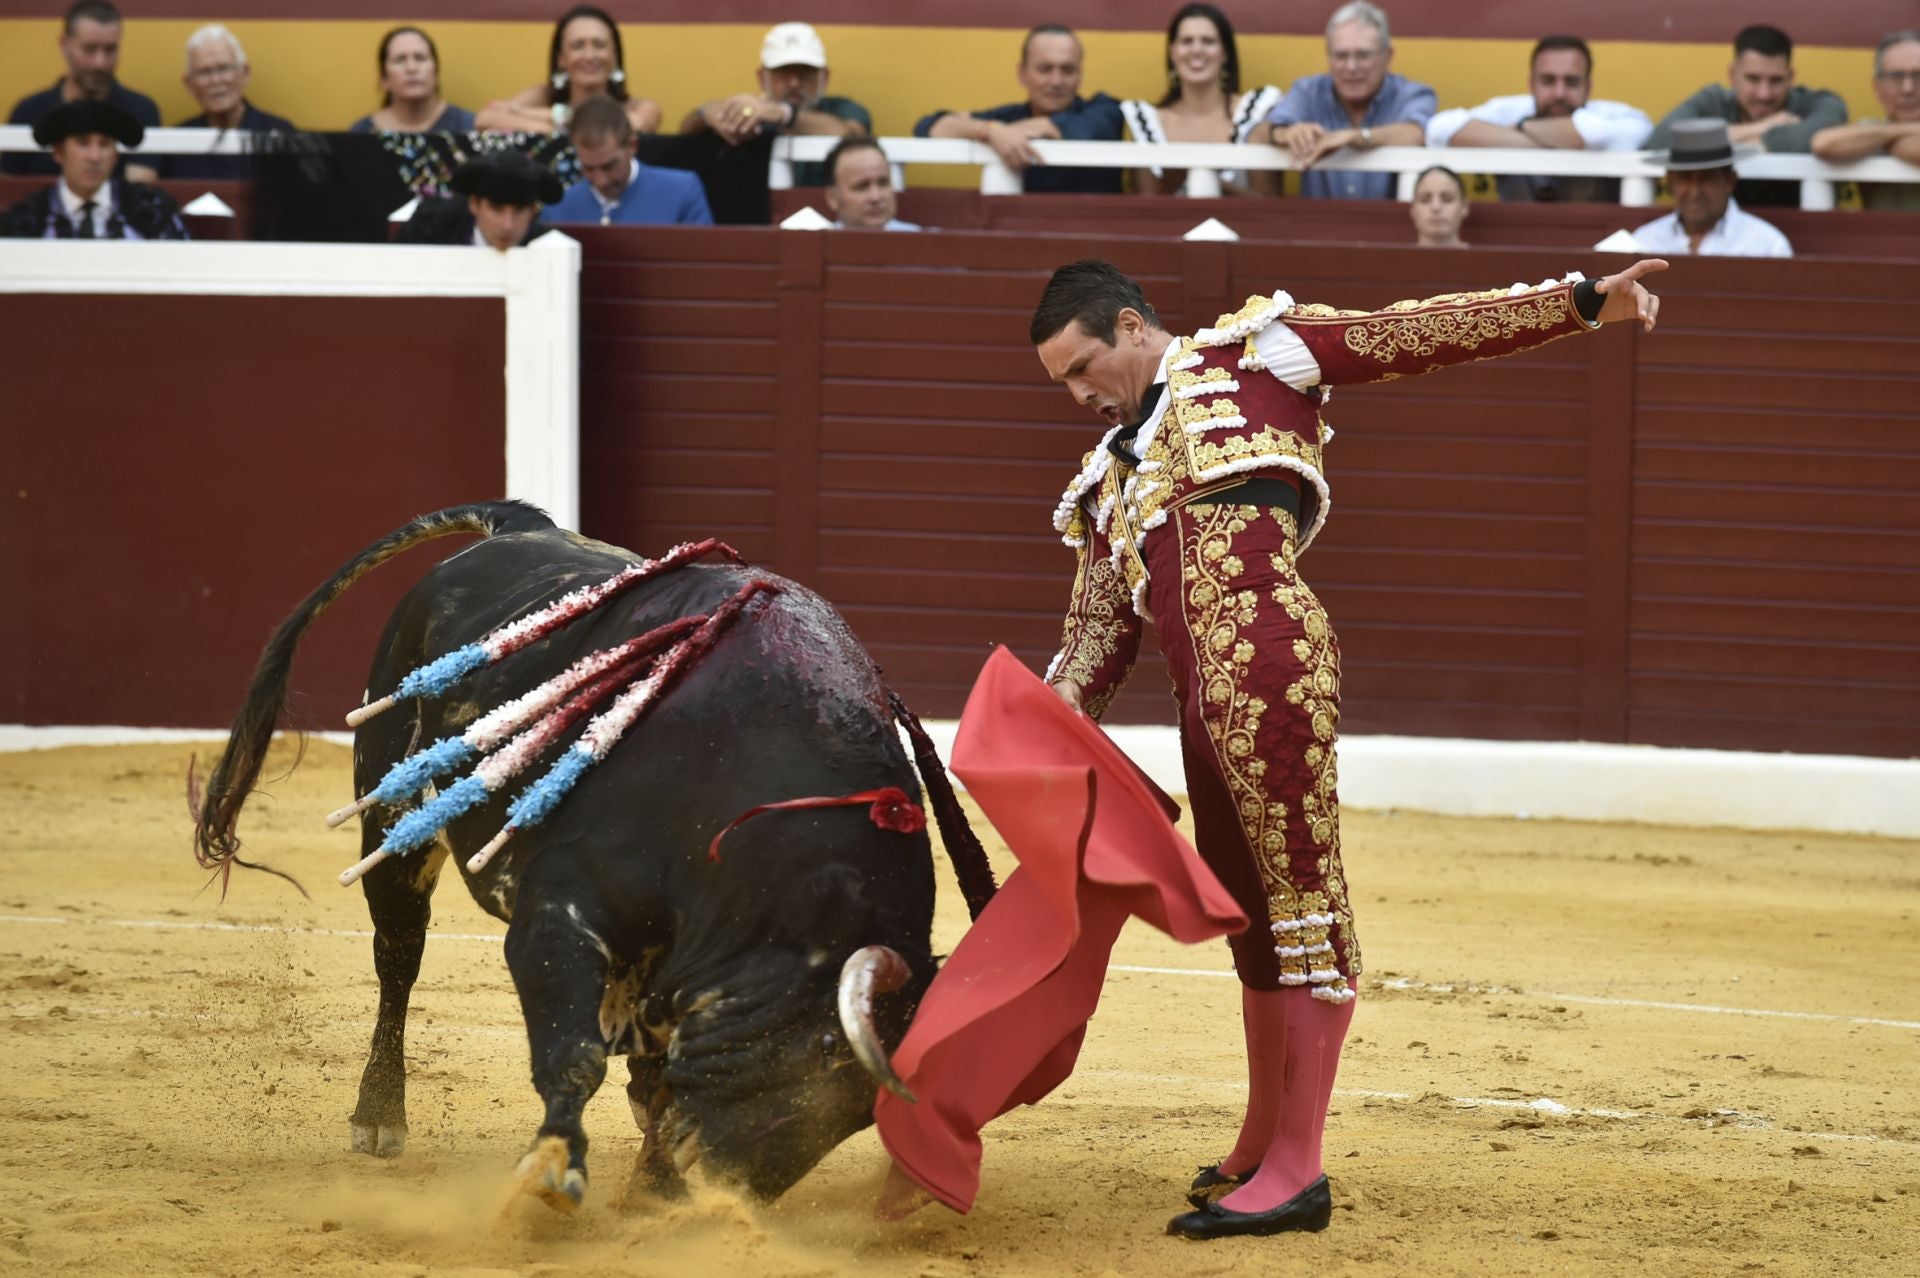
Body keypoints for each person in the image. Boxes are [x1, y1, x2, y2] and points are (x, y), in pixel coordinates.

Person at [1028, 253, 1663, 1239]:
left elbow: (1412, 333)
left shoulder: (1254, 356)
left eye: (1081, 368)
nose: (1078, 396)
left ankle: (1299, 1168)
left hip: (1273, 666)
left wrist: (1578, 305)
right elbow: (1098, 634)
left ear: (1130, 327)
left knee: (1303, 907)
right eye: (1063, 383)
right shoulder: (1111, 475)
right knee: (1250, 918)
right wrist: (1050, 704)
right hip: (1202, 696)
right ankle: (1260, 1140)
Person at [1425, 35, 1650, 202]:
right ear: (1531, 83)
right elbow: (1439, 129)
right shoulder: (1510, 109)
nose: (1559, 93)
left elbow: (1635, 134)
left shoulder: (1612, 115)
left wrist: (1522, 127)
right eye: (1548, 81)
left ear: (1588, 86)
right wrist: (1550, 139)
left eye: (1571, 82)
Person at [1646, 24, 1847, 208]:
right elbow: (1660, 140)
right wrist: (1764, 126)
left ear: (1791, 78)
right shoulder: (1713, 100)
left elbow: (1830, 122)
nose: (1764, 94)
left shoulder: (1815, 102)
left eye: (1776, 80)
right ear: (1732, 75)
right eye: (1753, 79)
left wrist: (1727, 144)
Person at [913, 25, 1126, 194]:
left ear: (1080, 74)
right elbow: (929, 126)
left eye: (1067, 70)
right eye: (1045, 69)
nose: (1056, 81)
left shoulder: (1105, 110)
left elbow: (1087, 126)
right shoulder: (1006, 119)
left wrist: (1005, 132)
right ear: (1022, 73)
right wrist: (990, 130)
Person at [1253, 2, 1435, 199]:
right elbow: (1258, 134)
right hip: (1317, 218)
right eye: (1341, 56)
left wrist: (1356, 137)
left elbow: (1419, 134)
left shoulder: (1412, 94)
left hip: (1393, 218)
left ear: (1388, 56)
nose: (1351, 67)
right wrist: (1286, 133)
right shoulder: (1308, 92)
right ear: (1328, 57)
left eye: (1363, 55)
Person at [1121, 4, 1284, 196]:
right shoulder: (1147, 123)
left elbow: (1269, 205)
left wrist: (1207, 180)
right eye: (1186, 41)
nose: (1197, 50)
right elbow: (1145, 206)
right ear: (1172, 52)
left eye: (1208, 41)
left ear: (1225, 53)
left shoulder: (1255, 112)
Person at [682, 22, 870, 188]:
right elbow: (688, 129)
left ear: (825, 78)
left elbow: (854, 136)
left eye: (805, 71)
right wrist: (711, 112)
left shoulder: (842, 109)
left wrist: (784, 114)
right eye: (783, 71)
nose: (794, 82)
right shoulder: (750, 111)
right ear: (762, 78)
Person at [5, 0, 159, 182]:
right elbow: (8, 189)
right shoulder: (29, 111)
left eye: (110, 50)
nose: (100, 63)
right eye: (89, 49)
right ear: (64, 44)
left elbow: (141, 188)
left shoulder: (141, 110)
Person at [2, 100, 185, 239]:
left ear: (115, 155)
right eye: (83, 144)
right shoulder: (26, 219)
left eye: (104, 144)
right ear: (58, 152)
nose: (94, 157)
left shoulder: (153, 212)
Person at [476, 5, 661, 137]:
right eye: (578, 46)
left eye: (599, 45)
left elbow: (631, 125)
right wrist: (561, 131)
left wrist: (535, 115)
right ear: (561, 59)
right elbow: (485, 119)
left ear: (615, 55)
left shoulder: (641, 107)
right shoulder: (542, 96)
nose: (589, 56)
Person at [1630, 118, 1792, 257]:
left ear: (1729, 181)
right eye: (1685, 178)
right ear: (1670, 182)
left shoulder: (1767, 245)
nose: (1695, 192)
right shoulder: (1645, 241)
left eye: (1707, 179)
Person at [546, 95, 712, 226]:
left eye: (609, 166)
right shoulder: (557, 208)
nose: (601, 181)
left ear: (632, 146)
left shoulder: (681, 192)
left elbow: (703, 257)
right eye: (588, 168)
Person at [1811, 29, 1920, 212]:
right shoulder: (1873, 128)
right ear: (1876, 86)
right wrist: (1902, 131)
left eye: (1918, 76)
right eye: (1896, 76)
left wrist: (1882, 140)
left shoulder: (1872, 134)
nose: (1908, 89)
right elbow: (1823, 144)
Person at [170, 24, 294, 181]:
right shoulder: (178, 141)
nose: (216, 80)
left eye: (224, 69)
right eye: (204, 72)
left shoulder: (278, 133)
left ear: (245, 73)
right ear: (189, 84)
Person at [400, 149, 561, 250]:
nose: (508, 226)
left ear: (533, 211)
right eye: (496, 209)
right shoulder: (431, 228)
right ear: (474, 204)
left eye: (518, 211)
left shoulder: (548, 247)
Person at [349, 26, 476, 134]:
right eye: (400, 60)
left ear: (436, 72)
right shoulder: (361, 133)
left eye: (420, 58)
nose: (412, 68)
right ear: (384, 78)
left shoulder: (468, 126)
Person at [823, 136, 919, 230]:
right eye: (861, 187)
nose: (876, 197)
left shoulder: (918, 238)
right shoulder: (816, 240)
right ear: (833, 198)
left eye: (883, 183)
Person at [1409, 164, 1468, 246]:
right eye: (1425, 200)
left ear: (1464, 206)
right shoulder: (1394, 255)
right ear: (1413, 208)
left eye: (1447, 199)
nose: (1436, 207)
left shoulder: (1483, 255)